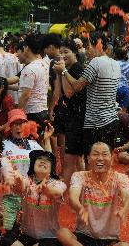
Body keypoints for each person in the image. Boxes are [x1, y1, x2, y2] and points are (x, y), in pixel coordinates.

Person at [56, 142, 129, 246]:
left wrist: (125, 208)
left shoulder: (120, 178)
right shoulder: (79, 176)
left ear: (112, 158)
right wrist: (80, 207)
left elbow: (128, 196)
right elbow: (73, 196)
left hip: (108, 240)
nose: (100, 158)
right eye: (95, 154)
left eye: (105, 154)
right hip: (83, 236)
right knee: (63, 234)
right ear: (88, 158)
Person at [0, 150, 63, 246]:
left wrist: (45, 189)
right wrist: (19, 179)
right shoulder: (28, 180)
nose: (43, 161)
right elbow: (20, 186)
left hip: (48, 238)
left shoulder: (58, 184)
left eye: (47, 160)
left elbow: (56, 192)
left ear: (52, 168)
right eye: (39, 159)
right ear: (33, 165)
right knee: (0, 235)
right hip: (25, 235)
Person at [55, 37, 120, 151]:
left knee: (93, 159)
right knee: (106, 157)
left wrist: (63, 71)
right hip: (112, 119)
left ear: (97, 45)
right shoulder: (115, 63)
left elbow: (76, 87)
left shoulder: (96, 62)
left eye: (88, 47)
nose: (87, 50)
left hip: (96, 122)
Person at [51, 40, 86, 184]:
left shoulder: (77, 69)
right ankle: (80, 184)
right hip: (71, 115)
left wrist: (63, 72)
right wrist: (59, 74)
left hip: (79, 117)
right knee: (76, 156)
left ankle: (69, 186)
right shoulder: (66, 69)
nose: (62, 55)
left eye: (66, 52)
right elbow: (58, 92)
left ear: (75, 53)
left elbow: (69, 92)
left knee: (72, 156)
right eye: (61, 52)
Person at [16, 35, 50, 130]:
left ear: (26, 48)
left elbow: (25, 95)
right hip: (43, 110)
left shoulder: (29, 69)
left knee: (31, 143)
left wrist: (18, 115)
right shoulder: (44, 64)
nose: (17, 54)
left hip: (32, 113)